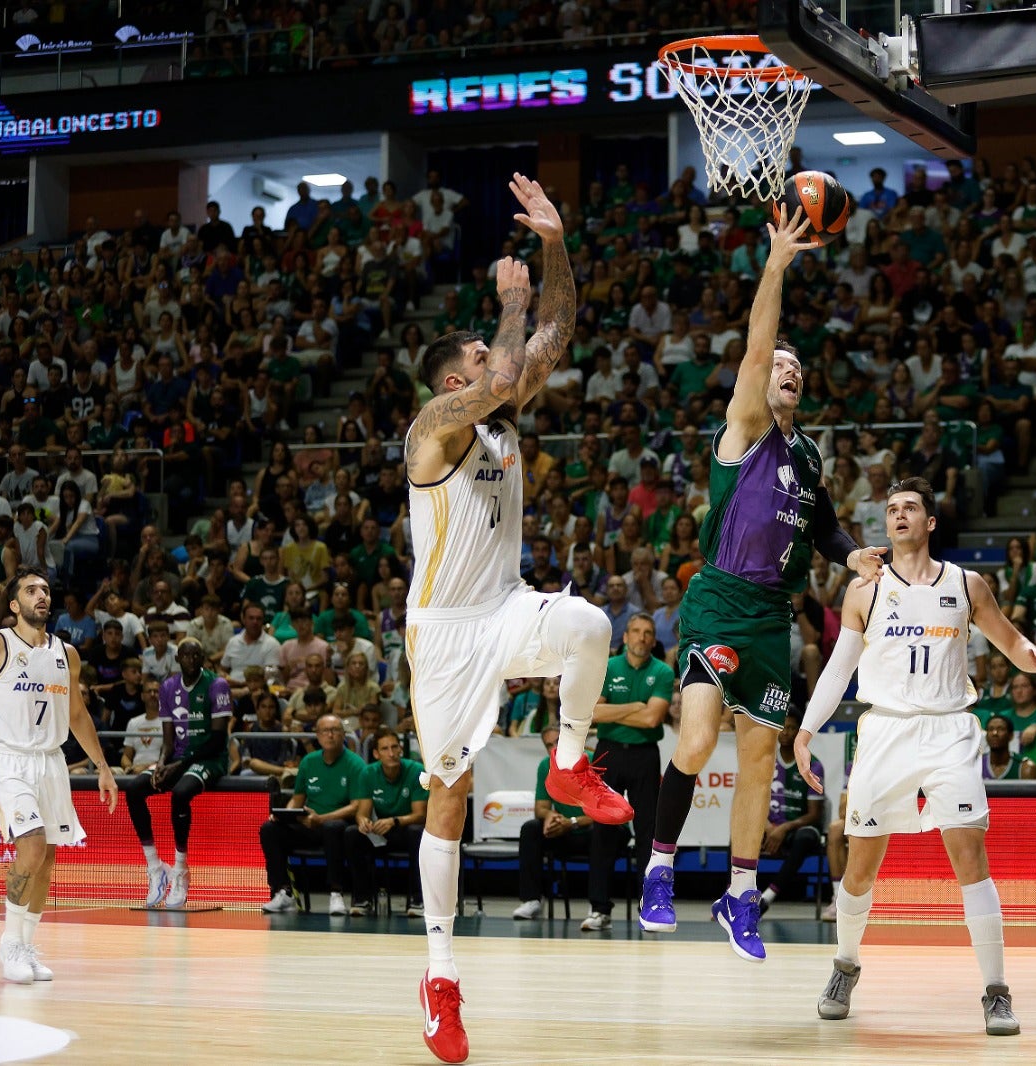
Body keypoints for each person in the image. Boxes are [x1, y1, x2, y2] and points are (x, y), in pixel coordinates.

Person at [401, 174, 633, 1061]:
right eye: (478, 351)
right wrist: (510, 299)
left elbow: (553, 340)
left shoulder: (499, 421)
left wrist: (556, 245)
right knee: (448, 795)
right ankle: (441, 976)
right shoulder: (435, 426)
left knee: (589, 628)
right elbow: (506, 363)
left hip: (502, 605)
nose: (495, 354)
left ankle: (569, 765)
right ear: (455, 380)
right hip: (446, 632)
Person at [638, 208, 885, 962]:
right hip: (719, 598)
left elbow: (824, 529)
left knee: (756, 760)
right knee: (699, 737)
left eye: (799, 369)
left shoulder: (809, 456)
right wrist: (776, 264)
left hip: (772, 616)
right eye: (783, 365)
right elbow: (754, 351)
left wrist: (852, 557)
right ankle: (658, 868)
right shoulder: (744, 427)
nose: (791, 371)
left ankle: (740, 894)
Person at [793, 477, 1036, 1033]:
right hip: (885, 731)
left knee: (970, 860)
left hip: (947, 732)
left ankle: (996, 990)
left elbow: (1014, 646)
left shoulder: (967, 585)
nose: (899, 516)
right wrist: (807, 729)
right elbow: (841, 668)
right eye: (891, 509)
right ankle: (845, 964)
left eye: (910, 508)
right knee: (861, 867)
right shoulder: (864, 589)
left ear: (930, 522)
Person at [0, 566, 118, 984]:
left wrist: (103, 767)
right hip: (7, 759)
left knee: (47, 857)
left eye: (45, 589)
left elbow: (77, 714)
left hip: (50, 761)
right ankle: (8, 943)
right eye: (30, 590)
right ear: (15, 605)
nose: (41, 595)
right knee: (29, 845)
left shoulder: (68, 654)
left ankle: (26, 945)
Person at [122, 637, 233, 909]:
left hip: (210, 759)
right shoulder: (168, 687)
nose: (191, 660)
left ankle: (181, 869)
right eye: (186, 655)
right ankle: (155, 867)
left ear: (203, 658)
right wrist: (161, 763)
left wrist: (179, 765)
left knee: (180, 793)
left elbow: (219, 740)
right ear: (178, 659)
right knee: (135, 789)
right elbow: (168, 742)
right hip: (179, 759)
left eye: (197, 656)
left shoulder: (217, 685)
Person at [581, 612, 673, 932]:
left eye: (648, 633)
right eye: (636, 631)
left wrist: (616, 712)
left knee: (648, 832)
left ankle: (648, 909)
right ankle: (599, 908)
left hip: (646, 755)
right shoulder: (607, 667)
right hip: (608, 752)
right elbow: (593, 713)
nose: (642, 638)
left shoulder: (662, 671)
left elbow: (652, 720)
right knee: (603, 830)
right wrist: (636, 706)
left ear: (653, 639)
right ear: (625, 637)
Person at [259, 715, 366, 916]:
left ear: (343, 735)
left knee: (332, 827)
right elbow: (297, 800)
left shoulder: (355, 763)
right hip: (309, 824)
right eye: (325, 730)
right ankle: (283, 891)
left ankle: (336, 893)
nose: (330, 735)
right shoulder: (309, 762)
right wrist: (287, 814)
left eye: (335, 730)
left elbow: (356, 806)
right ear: (317, 736)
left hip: (339, 826)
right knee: (270, 829)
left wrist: (322, 818)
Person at [511, 723, 595, 921]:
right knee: (531, 828)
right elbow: (540, 808)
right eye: (548, 745)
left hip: (595, 829)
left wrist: (572, 822)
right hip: (567, 830)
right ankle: (531, 900)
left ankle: (598, 906)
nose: (553, 748)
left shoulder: (591, 762)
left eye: (557, 742)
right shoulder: (545, 766)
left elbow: (603, 812)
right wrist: (551, 817)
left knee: (601, 831)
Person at [344, 728, 427, 917]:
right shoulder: (368, 773)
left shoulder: (416, 771)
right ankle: (362, 898)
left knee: (418, 832)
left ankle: (418, 899)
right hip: (381, 829)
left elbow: (420, 814)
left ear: (400, 749)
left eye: (394, 747)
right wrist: (363, 822)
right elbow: (362, 812)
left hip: (404, 828)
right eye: (385, 749)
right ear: (376, 754)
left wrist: (394, 821)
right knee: (352, 833)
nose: (391, 753)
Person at [759, 705, 826, 912]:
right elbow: (753, 800)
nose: (786, 732)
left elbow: (815, 814)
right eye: (783, 727)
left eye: (792, 728)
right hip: (769, 827)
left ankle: (767, 897)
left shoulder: (813, 765)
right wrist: (768, 827)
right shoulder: (765, 759)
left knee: (806, 836)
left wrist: (784, 828)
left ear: (799, 732)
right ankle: (732, 894)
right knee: (740, 832)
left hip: (796, 829)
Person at [982, 714, 1036, 779]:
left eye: (1000, 729)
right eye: (990, 729)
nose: (994, 733)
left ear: (1011, 735)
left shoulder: (1026, 767)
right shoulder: (976, 764)